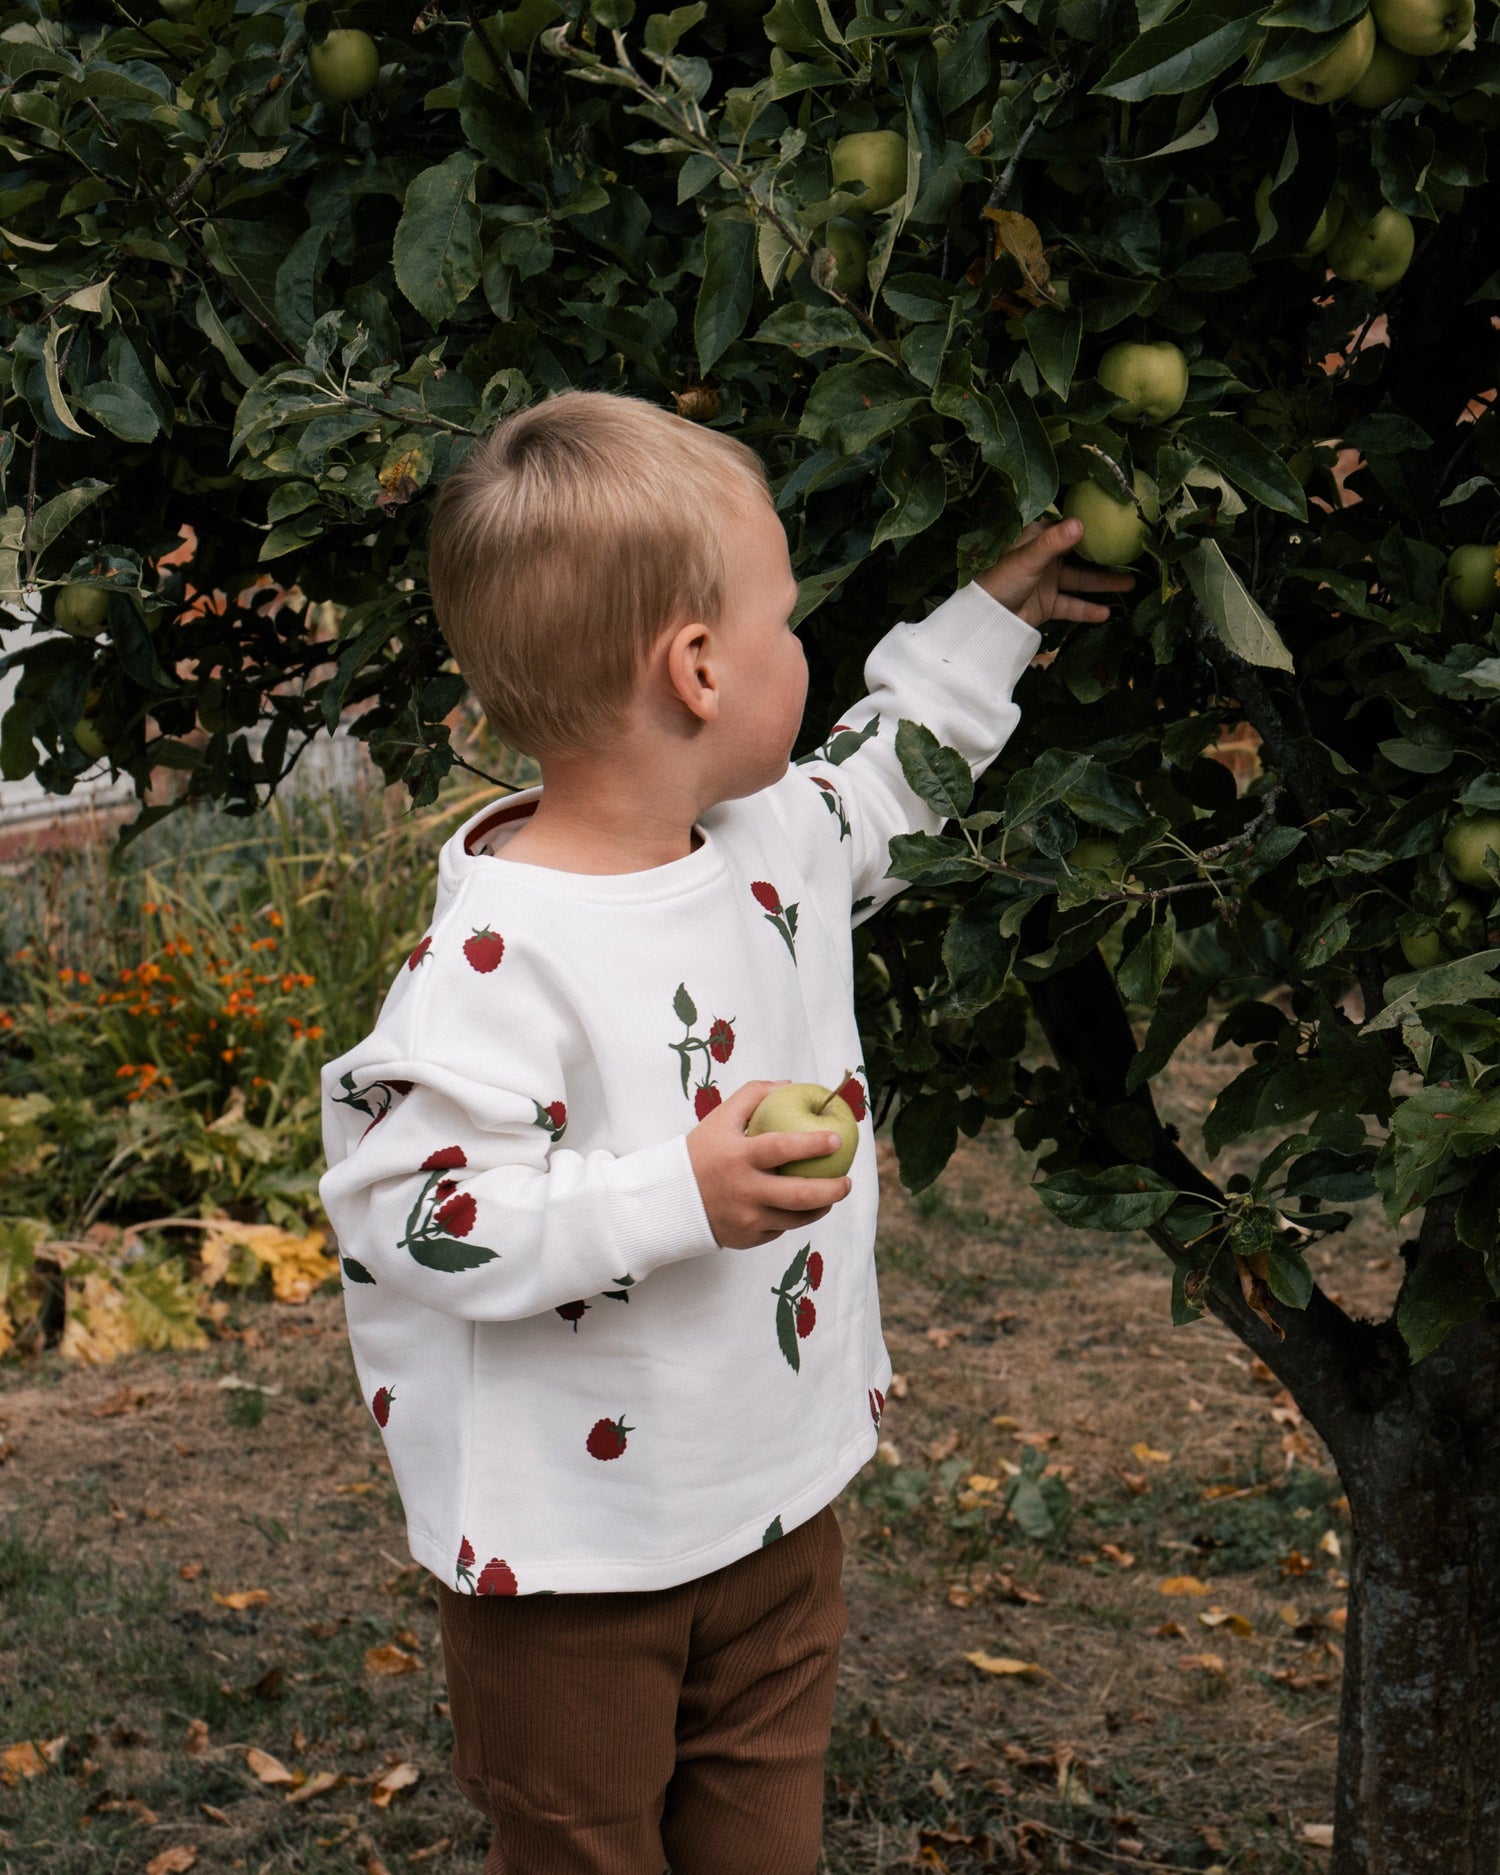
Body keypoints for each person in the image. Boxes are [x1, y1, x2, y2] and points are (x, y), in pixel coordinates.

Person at [318, 389, 1130, 1875]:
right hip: (571, 1569)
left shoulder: (770, 843)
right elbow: (416, 1211)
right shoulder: (498, 961)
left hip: (769, 1500)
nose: (805, 654)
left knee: (767, 1839)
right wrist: (671, 1189)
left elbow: (895, 776)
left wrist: (989, 623)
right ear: (695, 670)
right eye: (786, 623)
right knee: (585, 1850)